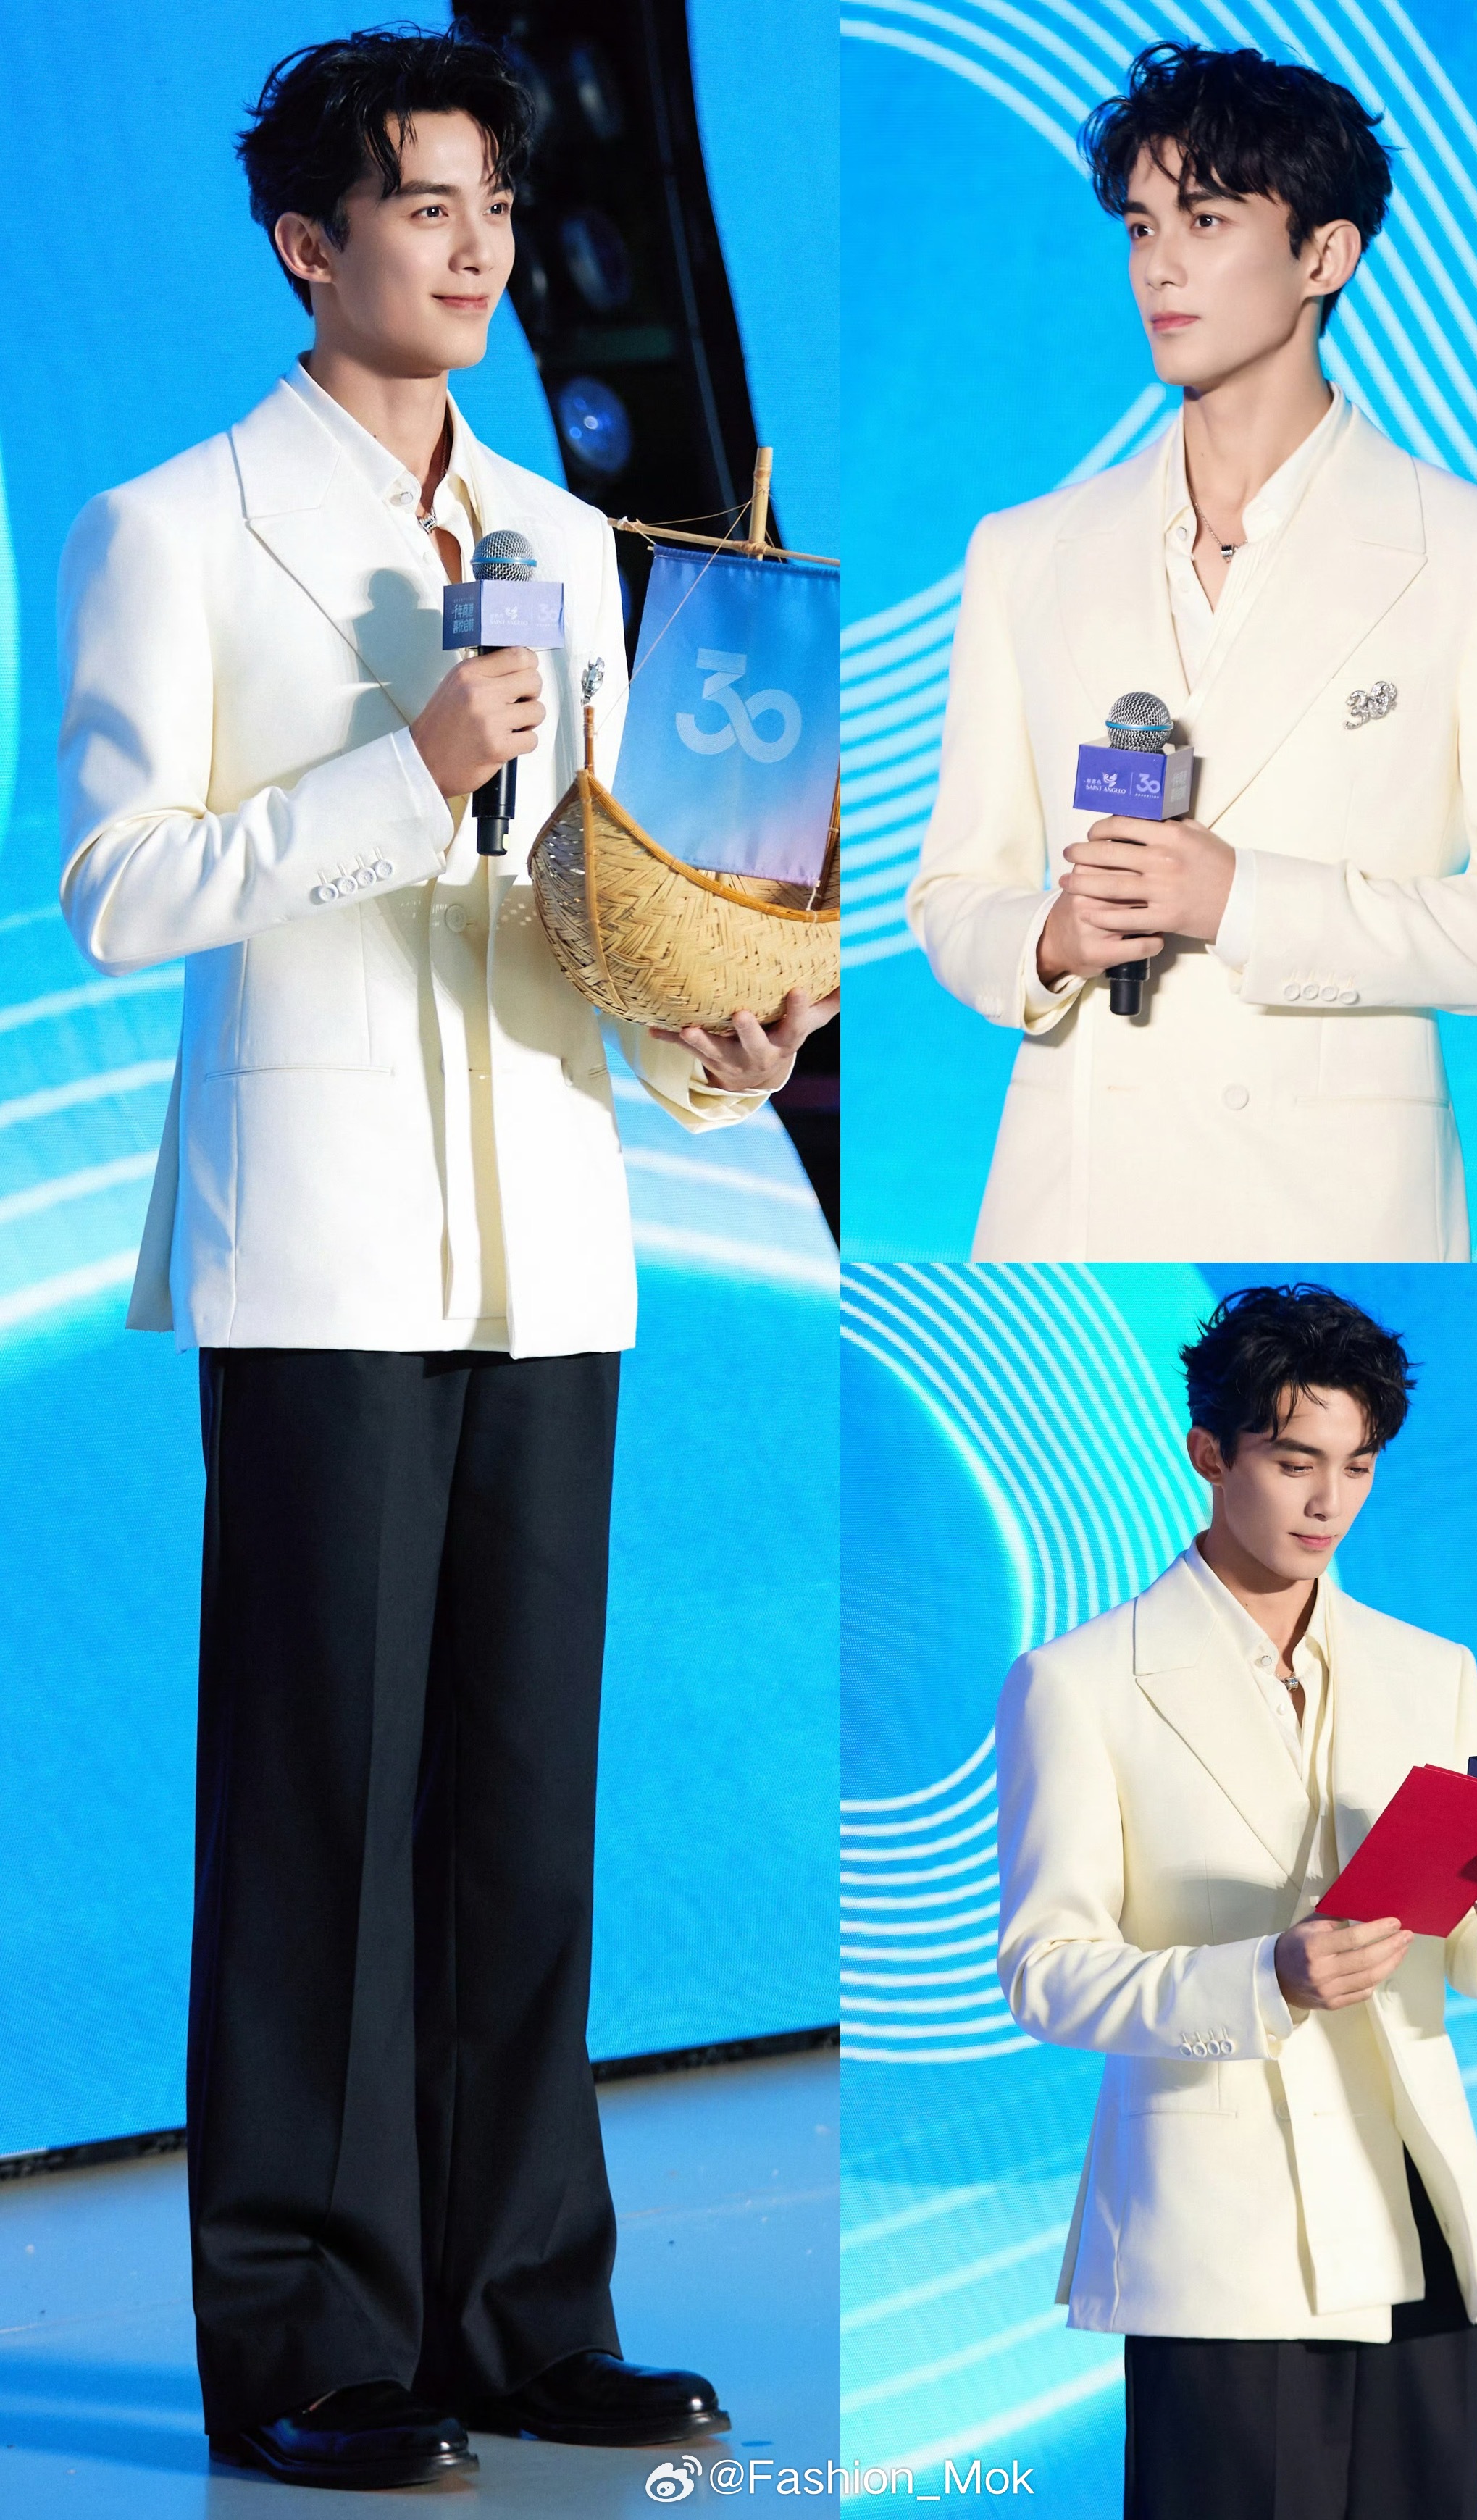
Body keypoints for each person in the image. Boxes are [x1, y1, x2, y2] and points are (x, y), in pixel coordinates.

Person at [57, 26, 834, 2492]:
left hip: (551, 1237)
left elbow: (578, 904)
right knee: (322, 1814)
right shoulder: (171, 526)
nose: (483, 244)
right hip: (319, 1249)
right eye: (427, 204)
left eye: (498, 200)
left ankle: (520, 2311)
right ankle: (308, 2335)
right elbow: (117, 890)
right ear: (310, 244)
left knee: (518, 1803)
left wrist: (722, 1035)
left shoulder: (564, 541)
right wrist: (400, 776)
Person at [905, 43, 1477, 1262]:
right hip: (1076, 1194)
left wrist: (1243, 900)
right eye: (1140, 227)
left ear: (1324, 256)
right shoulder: (1024, 552)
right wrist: (1050, 941)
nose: (1159, 266)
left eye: (1207, 219)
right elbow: (953, 890)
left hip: (1333, 1202)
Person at [994, 1283, 1477, 2520]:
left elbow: (1468, 1962)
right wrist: (1267, 1977)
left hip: (1417, 2213)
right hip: (1226, 2233)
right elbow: (1045, 1968)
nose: (1328, 1503)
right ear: (1209, 1454)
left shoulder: (1434, 1671)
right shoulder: (1078, 1684)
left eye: (1358, 1466)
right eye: (1295, 1461)